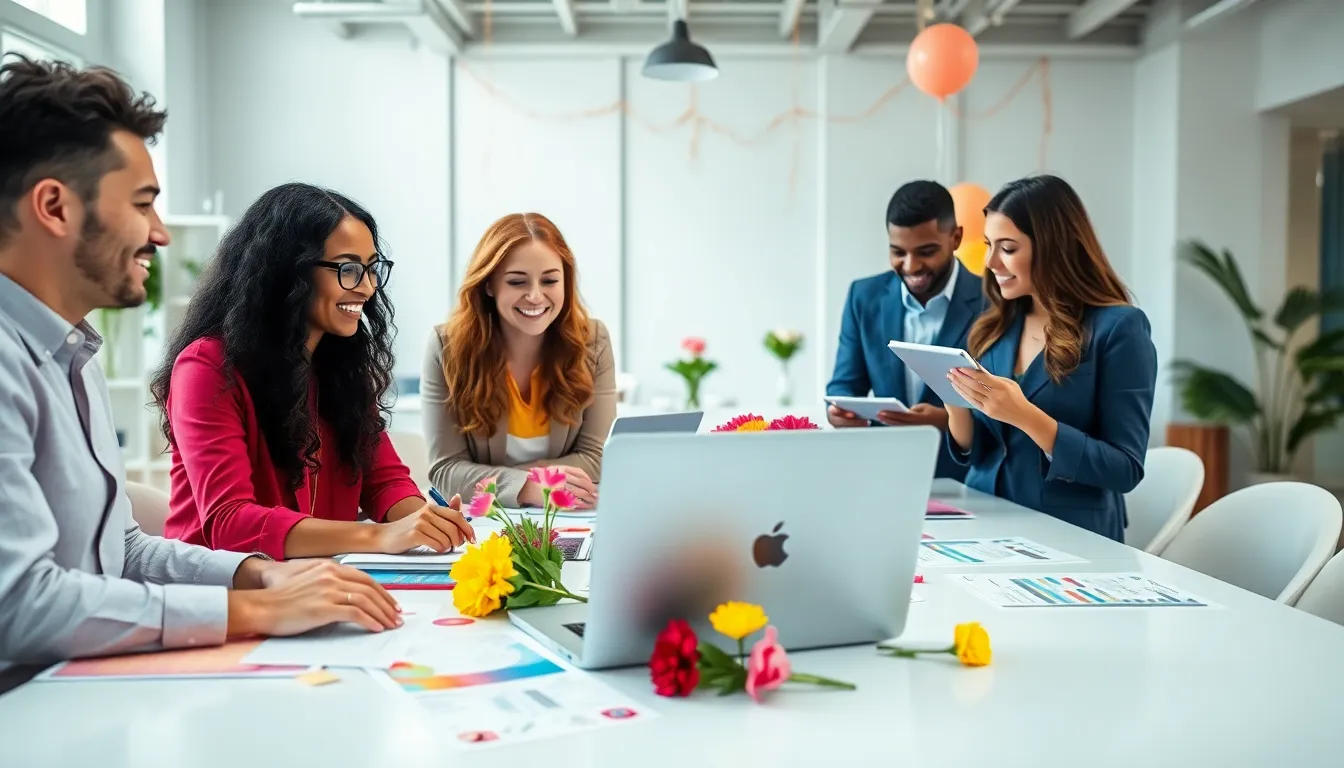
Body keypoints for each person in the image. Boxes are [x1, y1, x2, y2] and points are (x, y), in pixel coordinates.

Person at [0, 56, 401, 675]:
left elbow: (123, 552)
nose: (160, 234)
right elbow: (21, 606)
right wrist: (254, 609)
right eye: (142, 204)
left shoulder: (71, 359)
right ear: (54, 207)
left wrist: (259, 577)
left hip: (94, 679)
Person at [152, 183, 475, 561]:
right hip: (222, 597)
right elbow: (229, 522)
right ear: (289, 271)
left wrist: (424, 521)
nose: (368, 287)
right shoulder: (205, 366)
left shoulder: (339, 367)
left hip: (313, 583)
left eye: (372, 269)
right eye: (350, 269)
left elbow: (384, 481)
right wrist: (379, 537)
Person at [944, 175, 1156, 542]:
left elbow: (1125, 469)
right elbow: (983, 450)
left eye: (1008, 248)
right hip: (983, 524)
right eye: (988, 245)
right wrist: (955, 405)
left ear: (1053, 247)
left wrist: (1026, 416)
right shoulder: (993, 327)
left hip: (1069, 537)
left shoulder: (1119, 328)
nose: (990, 261)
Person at [422, 213, 616, 509]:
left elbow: (597, 457)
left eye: (550, 280)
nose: (536, 296)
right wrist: (527, 488)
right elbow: (446, 471)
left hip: (567, 517)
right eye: (517, 282)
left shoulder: (593, 341)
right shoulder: (446, 347)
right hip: (483, 525)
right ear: (489, 285)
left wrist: (508, 479)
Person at [825, 180, 984, 480]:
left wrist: (949, 420)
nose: (911, 266)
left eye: (926, 251)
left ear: (957, 238)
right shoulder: (864, 297)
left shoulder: (993, 302)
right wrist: (839, 411)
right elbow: (845, 384)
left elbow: (1006, 406)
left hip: (969, 482)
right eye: (898, 252)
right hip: (885, 476)